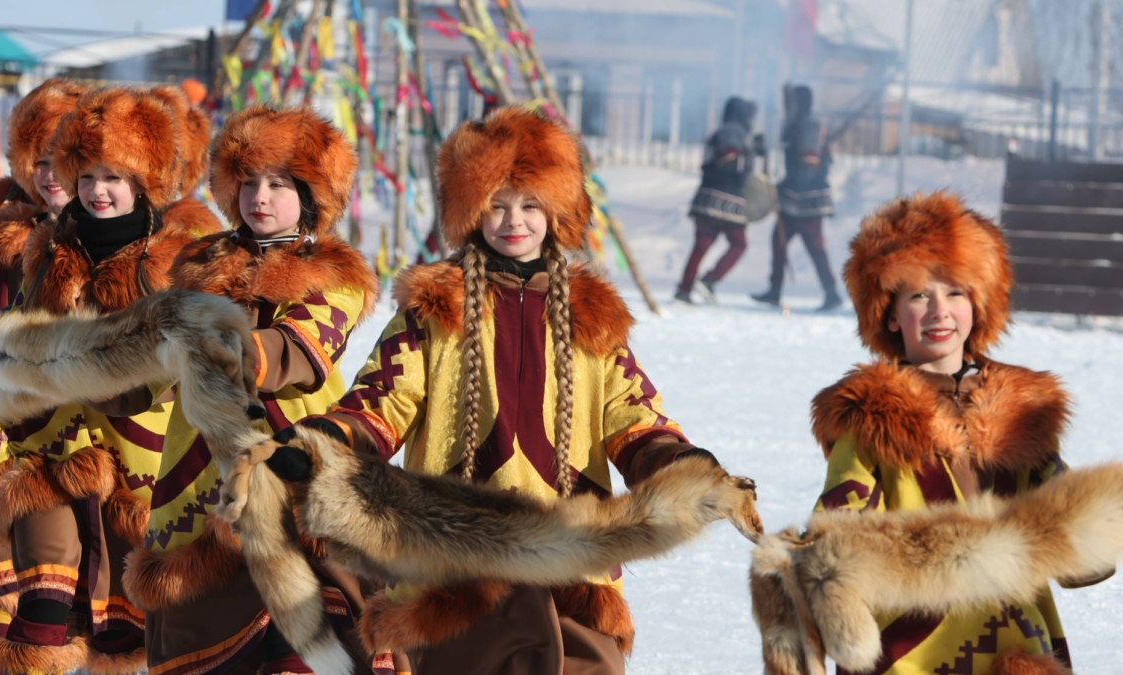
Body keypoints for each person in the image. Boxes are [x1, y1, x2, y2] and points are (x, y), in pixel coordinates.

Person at [261, 106, 756, 675]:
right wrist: (325, 441)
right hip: (458, 560)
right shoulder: (436, 309)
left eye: (529, 204)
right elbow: (380, 403)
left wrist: (683, 465)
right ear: (471, 212)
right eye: (495, 204)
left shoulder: (591, 314)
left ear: (555, 211)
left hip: (573, 560)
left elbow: (633, 415)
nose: (512, 220)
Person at [807, 191, 1110, 674]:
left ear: (978, 301)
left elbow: (1067, 511)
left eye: (954, 291)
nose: (938, 310)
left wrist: (1092, 531)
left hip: (1013, 633)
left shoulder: (1021, 407)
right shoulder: (871, 413)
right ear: (889, 312)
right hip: (909, 642)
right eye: (918, 294)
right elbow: (839, 521)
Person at [128, 105, 381, 675]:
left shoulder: (334, 273)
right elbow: (146, 363)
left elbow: (303, 348)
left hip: (296, 474)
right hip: (199, 479)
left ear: (311, 196)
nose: (259, 197)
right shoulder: (195, 265)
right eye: (248, 183)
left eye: (278, 184)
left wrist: (217, 349)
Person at [0, 87, 218, 675]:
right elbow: (26, 334)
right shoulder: (52, 248)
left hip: (146, 465)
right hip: (56, 451)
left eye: (113, 176)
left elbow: (162, 367)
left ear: (142, 181)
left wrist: (75, 372)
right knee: (42, 612)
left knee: (126, 633)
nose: (97, 190)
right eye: (86, 175)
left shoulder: (174, 259)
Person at [0, 78, 86, 675]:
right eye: (39, 160)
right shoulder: (6, 241)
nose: (50, 175)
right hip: (0, 438)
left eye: (65, 160)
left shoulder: (123, 240)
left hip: (95, 445)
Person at [751, 84, 840, 311]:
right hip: (795, 199)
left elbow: (808, 165)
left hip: (806, 199)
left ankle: (831, 293)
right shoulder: (798, 124)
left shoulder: (808, 126)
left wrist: (784, 187)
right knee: (778, 242)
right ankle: (774, 290)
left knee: (815, 247)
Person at [675, 96, 756, 304]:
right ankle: (710, 280)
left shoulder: (723, 131)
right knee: (739, 243)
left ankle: (684, 289)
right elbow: (730, 158)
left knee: (701, 245)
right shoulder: (733, 131)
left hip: (707, 197)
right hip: (725, 199)